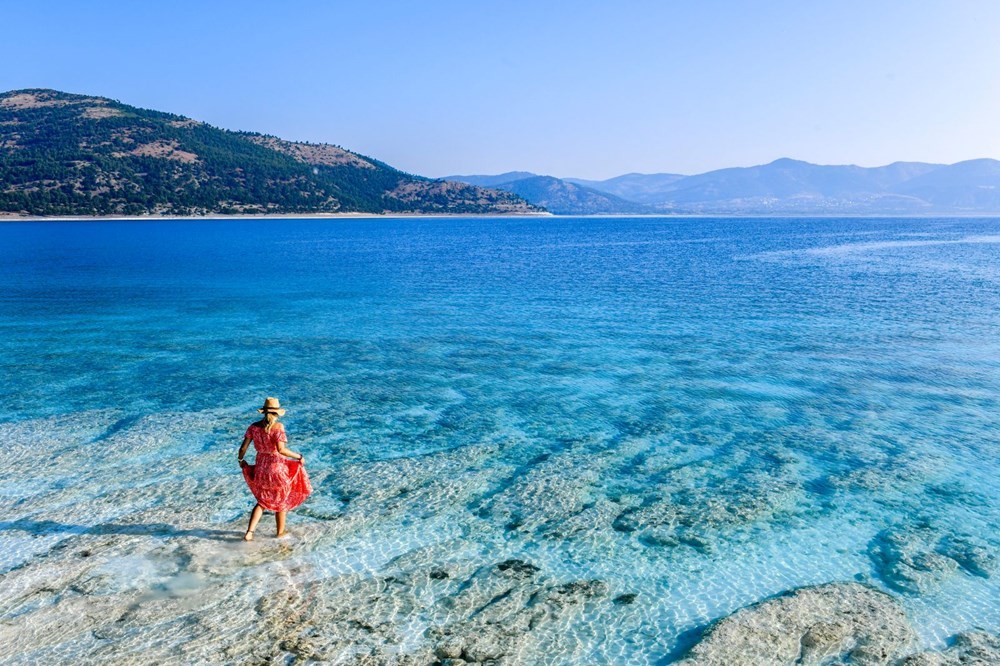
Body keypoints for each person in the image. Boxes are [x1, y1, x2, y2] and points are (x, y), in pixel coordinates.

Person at [238, 397, 312, 541]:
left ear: (264, 412)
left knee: (262, 500)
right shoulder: (278, 427)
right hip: (277, 467)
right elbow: (281, 449)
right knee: (281, 500)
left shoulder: (253, 427)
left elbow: (243, 448)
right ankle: (280, 533)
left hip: (261, 466)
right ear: (277, 413)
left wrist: (241, 460)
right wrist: (299, 456)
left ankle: (250, 532)